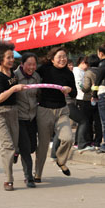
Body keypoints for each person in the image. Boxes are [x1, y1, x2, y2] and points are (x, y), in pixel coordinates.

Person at [0, 41, 24, 191]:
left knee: (13, 147)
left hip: (13, 111)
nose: (12, 60)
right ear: (0, 59)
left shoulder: (12, 73)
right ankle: (8, 180)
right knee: (8, 147)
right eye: (8, 57)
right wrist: (14, 88)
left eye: (12, 57)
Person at [34, 46, 76, 183]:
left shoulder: (69, 73)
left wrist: (69, 89)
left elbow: (74, 93)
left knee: (68, 138)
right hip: (44, 110)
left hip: (62, 110)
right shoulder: (44, 69)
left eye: (64, 57)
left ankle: (60, 160)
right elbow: (31, 77)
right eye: (59, 57)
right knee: (43, 145)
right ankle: (37, 173)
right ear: (52, 59)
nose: (63, 59)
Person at [14, 52, 40, 188]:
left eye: (34, 64)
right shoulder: (14, 76)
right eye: (29, 64)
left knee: (31, 147)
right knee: (25, 147)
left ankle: (16, 150)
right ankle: (29, 177)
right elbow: (4, 91)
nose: (31, 67)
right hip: (19, 117)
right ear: (22, 64)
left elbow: (40, 94)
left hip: (32, 117)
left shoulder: (36, 77)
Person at [73, 56, 93, 151]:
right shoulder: (77, 71)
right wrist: (85, 89)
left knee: (84, 121)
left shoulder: (82, 71)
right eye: (87, 64)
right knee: (83, 120)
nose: (88, 66)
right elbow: (79, 84)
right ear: (82, 62)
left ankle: (80, 141)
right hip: (81, 97)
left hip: (83, 97)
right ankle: (79, 142)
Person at [82, 54, 102, 149]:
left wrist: (81, 87)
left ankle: (89, 140)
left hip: (88, 99)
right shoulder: (101, 71)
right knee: (98, 121)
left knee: (88, 121)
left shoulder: (88, 73)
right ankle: (98, 140)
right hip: (99, 98)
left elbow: (86, 88)